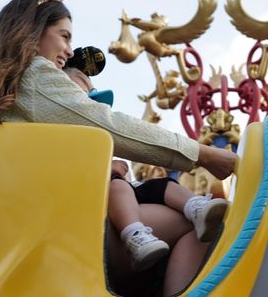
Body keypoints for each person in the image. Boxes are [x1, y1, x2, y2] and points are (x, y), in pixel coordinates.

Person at [0, 0, 238, 295]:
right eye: (64, 36)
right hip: (59, 232)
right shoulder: (35, 75)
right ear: (31, 32)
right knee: (202, 226)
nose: (67, 50)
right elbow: (107, 125)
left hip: (13, 227)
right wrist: (203, 154)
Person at [64, 52, 229, 271]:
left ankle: (195, 207)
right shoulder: (64, 139)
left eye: (89, 100)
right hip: (96, 210)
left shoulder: (96, 138)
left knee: (162, 186)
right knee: (119, 185)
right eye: (80, 98)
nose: (88, 109)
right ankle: (134, 233)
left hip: (126, 196)